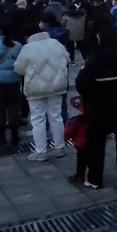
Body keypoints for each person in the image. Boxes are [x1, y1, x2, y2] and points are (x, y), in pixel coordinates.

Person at [75, 25, 117, 188]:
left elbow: (81, 84)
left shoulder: (95, 60)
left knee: (96, 145)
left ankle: (95, 178)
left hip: (98, 110)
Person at [14, 24, 71, 161]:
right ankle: (59, 147)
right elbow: (67, 59)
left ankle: (41, 151)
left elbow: (19, 68)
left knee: (38, 119)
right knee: (56, 116)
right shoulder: (56, 43)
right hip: (57, 86)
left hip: (35, 88)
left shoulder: (27, 48)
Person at [65, 96, 89, 185]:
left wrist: (66, 137)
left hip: (81, 143)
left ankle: (80, 175)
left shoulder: (77, 120)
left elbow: (68, 132)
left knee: (81, 160)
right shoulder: (94, 117)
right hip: (93, 141)